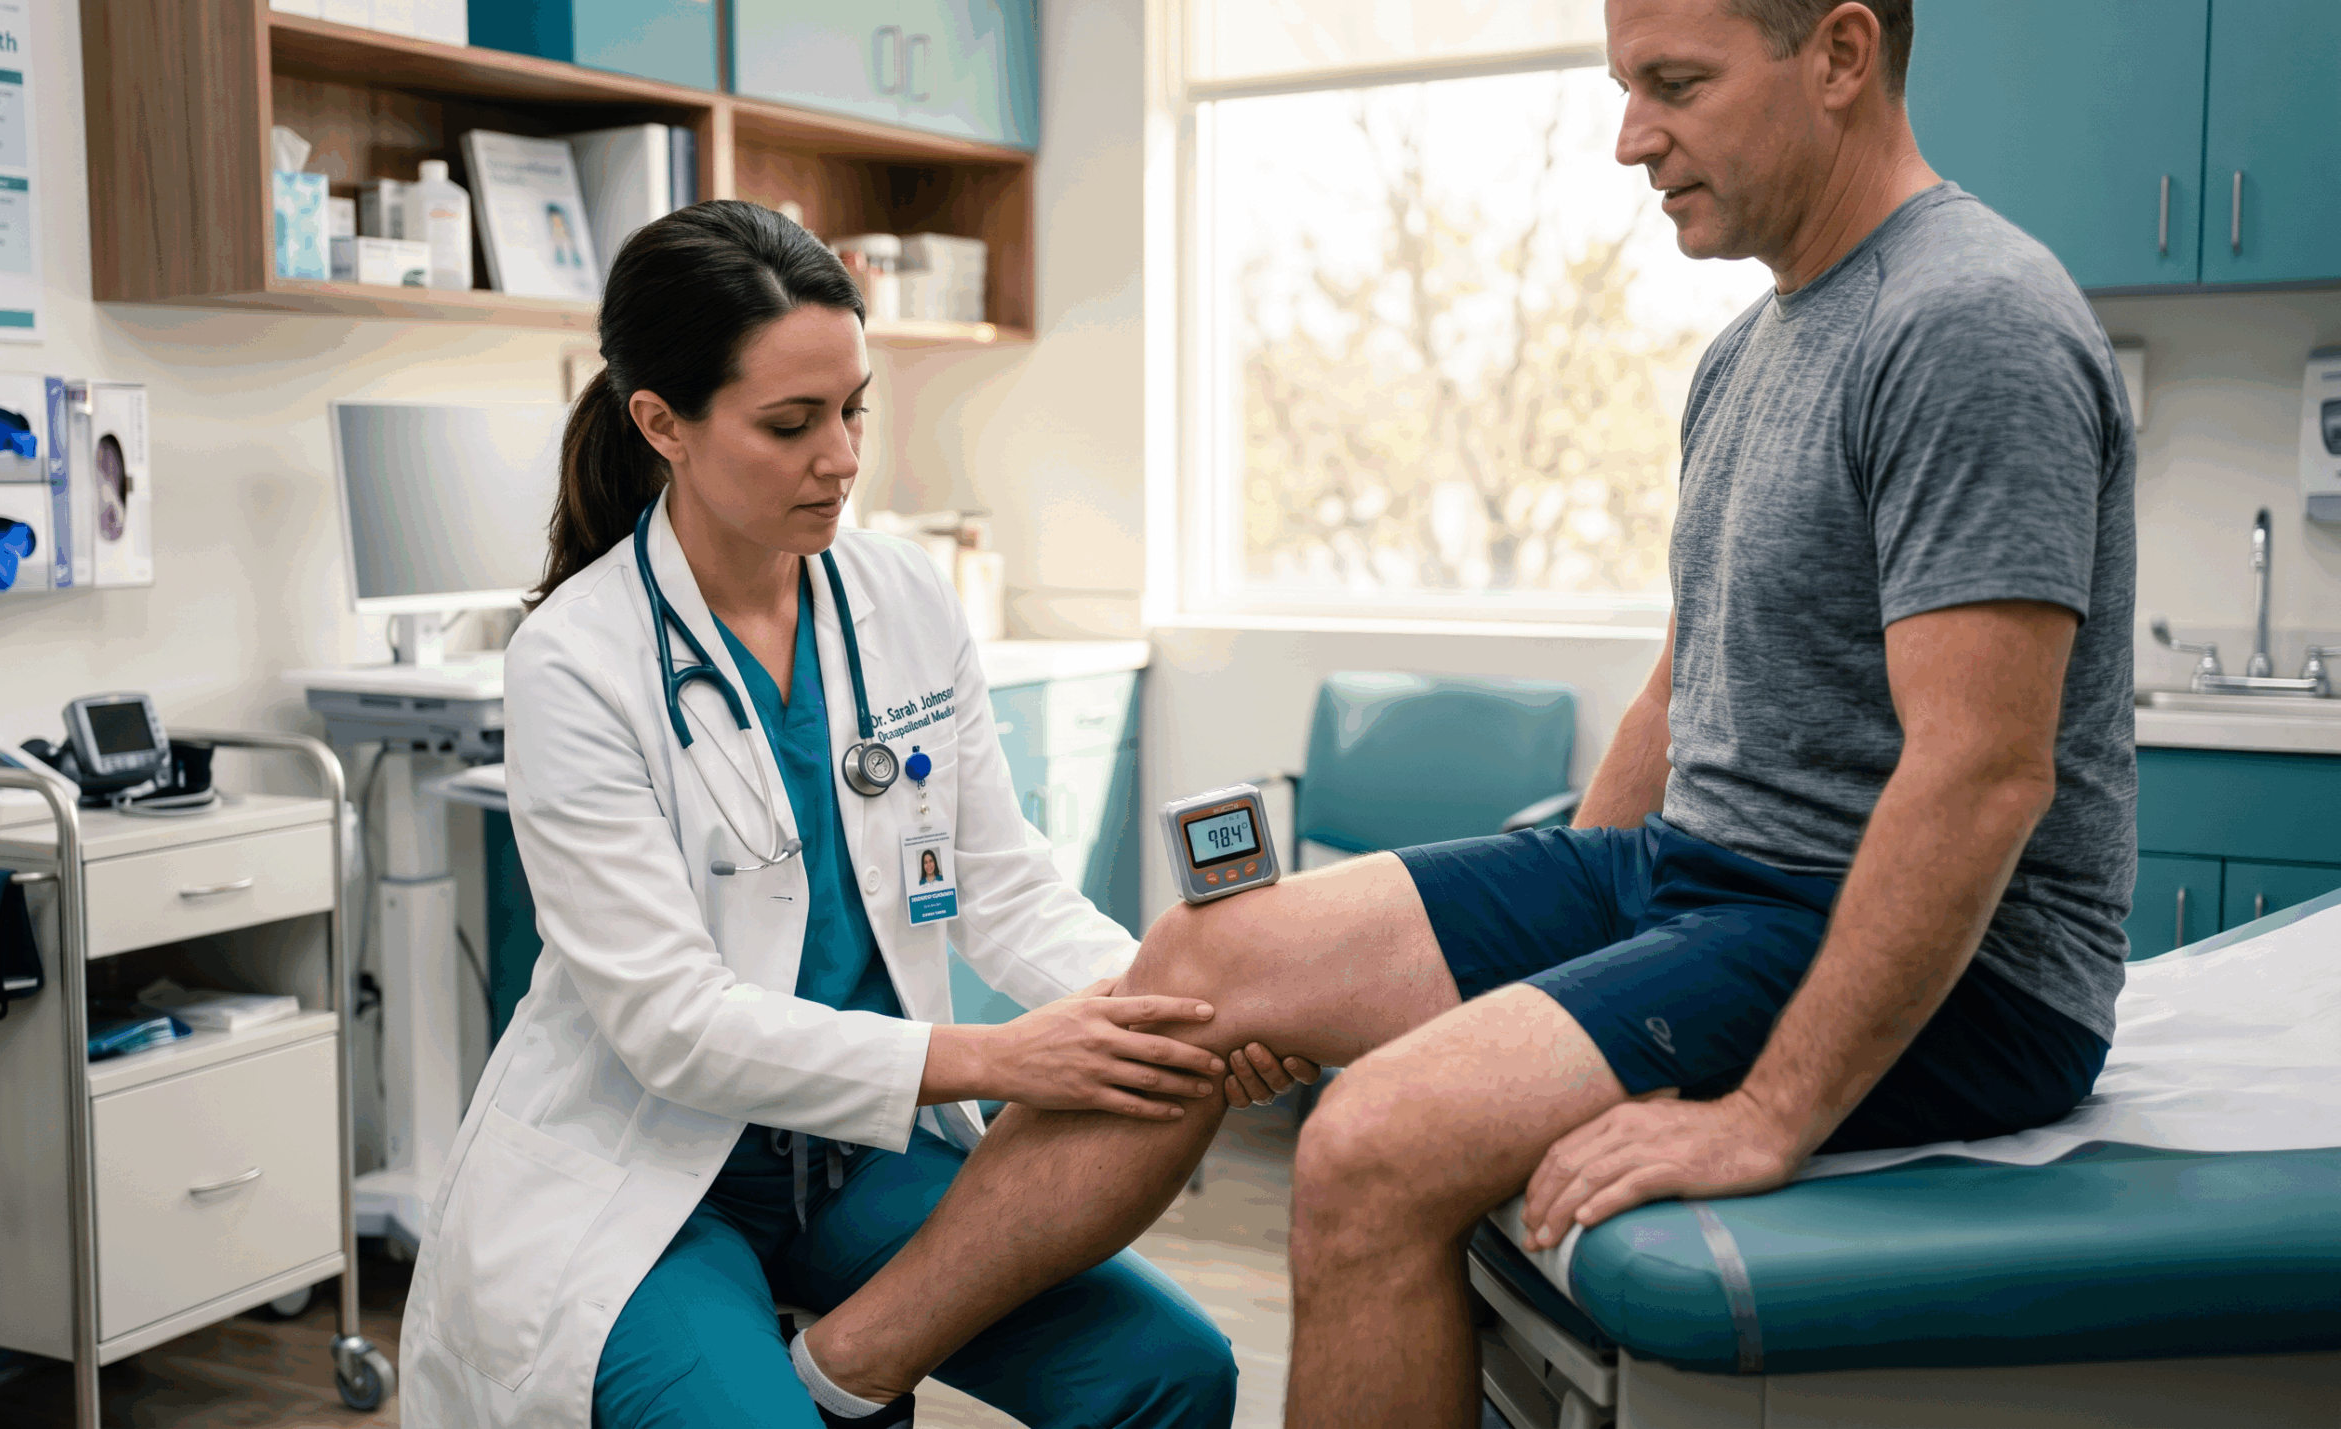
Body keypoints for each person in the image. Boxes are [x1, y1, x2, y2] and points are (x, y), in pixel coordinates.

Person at [786, 2, 2138, 1425]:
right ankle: (843, 1375)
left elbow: (1983, 773)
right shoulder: (1748, 357)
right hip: (1704, 883)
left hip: (1954, 970)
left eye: (1675, 85)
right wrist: (1552, 953)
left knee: (1369, 1143)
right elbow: (1685, 695)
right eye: (1626, 86)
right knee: (1201, 959)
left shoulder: (1969, 320)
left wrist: (1768, 1113)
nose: (1631, 138)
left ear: (1843, 57)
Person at [398, 201, 1317, 1429]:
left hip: (856, 1159)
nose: (841, 458)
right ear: (662, 423)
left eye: (853, 409)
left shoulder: (898, 598)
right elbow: (671, 1025)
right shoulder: (576, 658)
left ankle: (842, 1367)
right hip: (658, 1177)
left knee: (1170, 1371)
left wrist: (1188, 1009)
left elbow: (1003, 884)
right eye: (791, 424)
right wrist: (999, 1054)